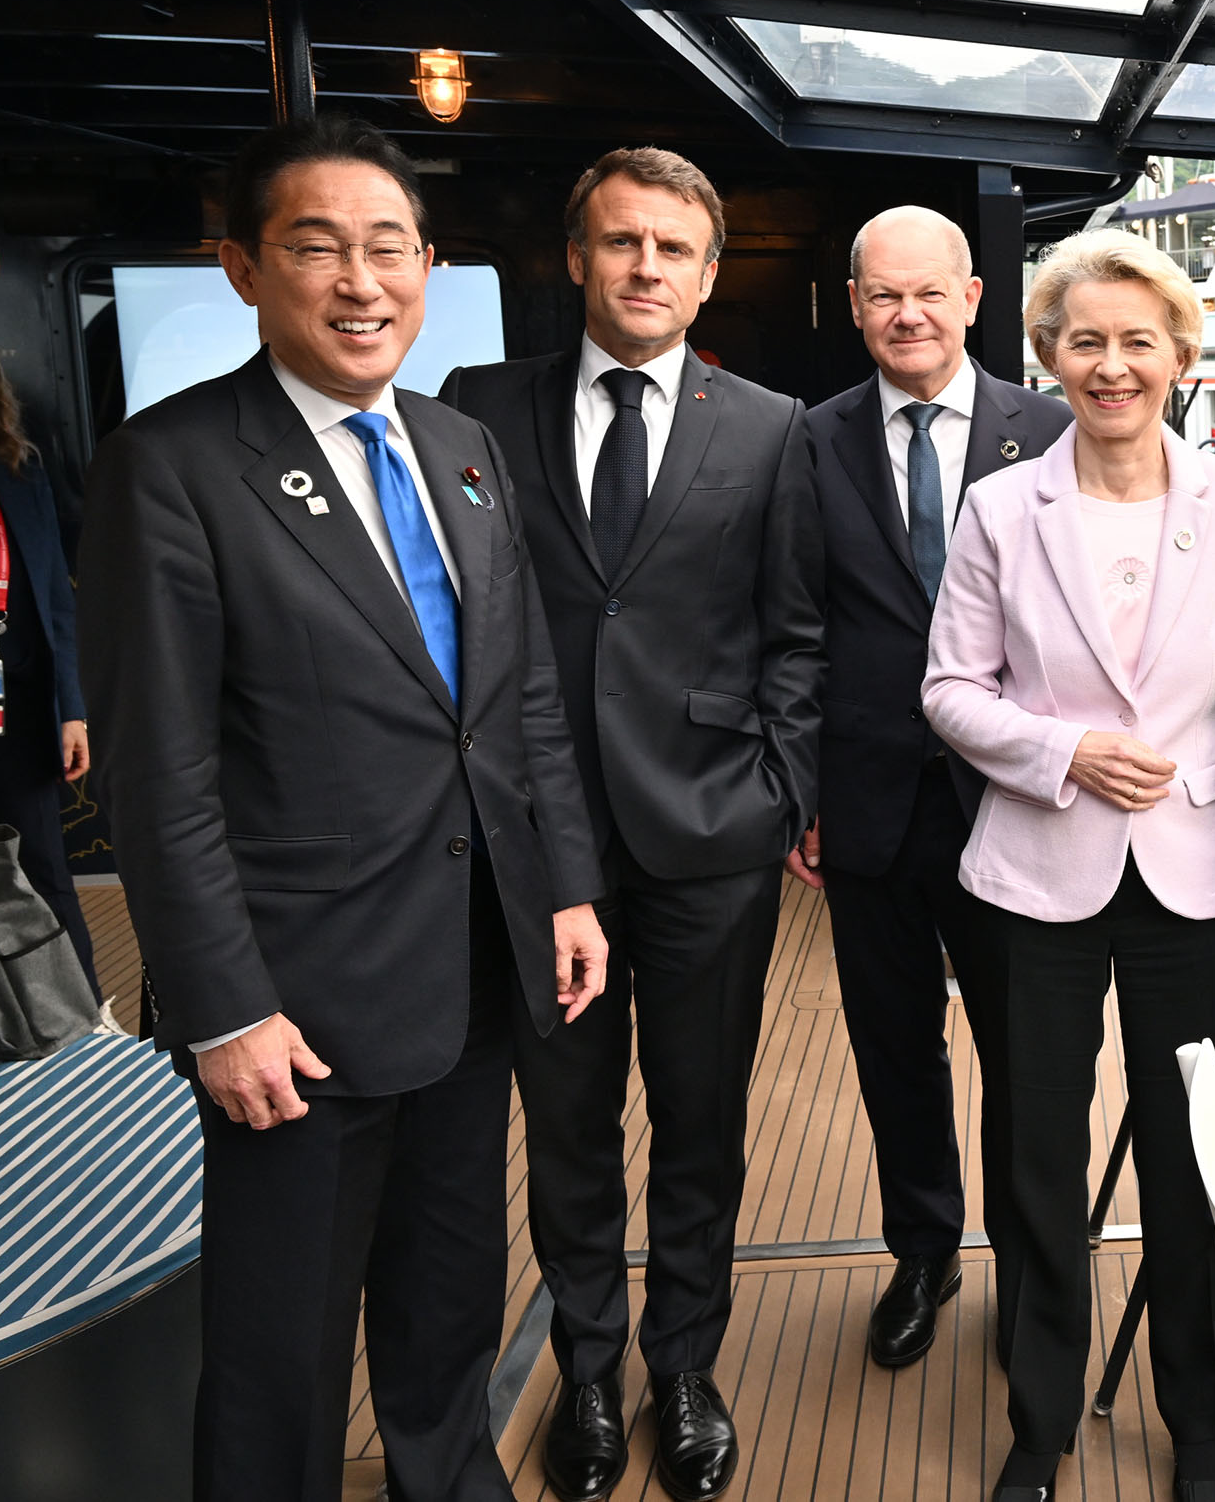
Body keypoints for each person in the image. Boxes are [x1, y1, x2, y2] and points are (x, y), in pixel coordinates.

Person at [77, 114, 608, 1502]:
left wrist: (561, 884)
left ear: (429, 265)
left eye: (390, 248)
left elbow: (522, 696)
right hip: (293, 1004)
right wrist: (222, 1007)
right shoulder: (174, 467)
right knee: (279, 1348)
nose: (361, 281)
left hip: (475, 963)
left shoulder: (462, 449)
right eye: (318, 248)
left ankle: (451, 1480)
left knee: (448, 1296)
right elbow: (159, 774)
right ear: (244, 268)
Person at [440, 147, 821, 1502]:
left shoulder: (772, 426)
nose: (645, 266)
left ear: (708, 272)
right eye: (620, 242)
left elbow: (798, 630)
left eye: (672, 247)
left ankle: (686, 1367)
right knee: (569, 1124)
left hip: (713, 839)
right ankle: (591, 1372)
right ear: (575, 257)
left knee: (705, 1124)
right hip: (543, 847)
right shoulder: (476, 413)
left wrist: (777, 790)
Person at [922, 228, 1215, 1502]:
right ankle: (1041, 1412)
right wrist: (1065, 750)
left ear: (1180, 353)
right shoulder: (999, 505)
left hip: (1199, 867)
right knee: (1035, 1150)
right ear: (1049, 354)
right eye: (1086, 339)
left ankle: (1197, 1414)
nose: (1112, 363)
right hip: (1036, 870)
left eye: (1138, 339)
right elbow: (950, 689)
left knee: (1193, 1154)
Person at [785, 205, 1069, 1370]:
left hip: (1010, 799)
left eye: (927, 292)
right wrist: (798, 787)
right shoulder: (809, 438)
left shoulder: (1048, 428)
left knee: (1025, 1048)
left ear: (971, 297)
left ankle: (1029, 1267)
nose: (907, 314)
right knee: (892, 1044)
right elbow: (793, 626)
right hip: (866, 801)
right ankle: (922, 1248)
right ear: (854, 306)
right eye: (881, 295)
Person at [0, 330, 99, 1009]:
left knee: (45, 866)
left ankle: (82, 1010)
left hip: (17, 705)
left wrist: (72, 708)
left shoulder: (19, 473)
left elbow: (55, 599)